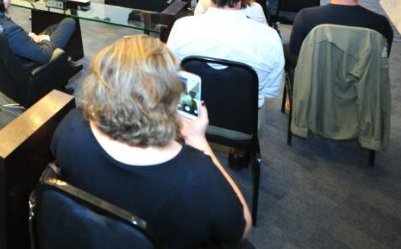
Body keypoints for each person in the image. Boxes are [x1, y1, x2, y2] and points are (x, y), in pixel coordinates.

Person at [51, 35, 251, 248]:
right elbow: (240, 230)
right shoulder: (197, 177)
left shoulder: (70, 128)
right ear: (170, 97)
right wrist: (196, 138)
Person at [167, 0, 284, 110]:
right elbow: (271, 91)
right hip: (244, 120)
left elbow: (171, 77)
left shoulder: (181, 28)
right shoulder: (270, 37)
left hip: (192, 112)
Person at [286, 0, 393, 71]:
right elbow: (382, 57)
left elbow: (295, 51)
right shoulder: (381, 23)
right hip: (362, 77)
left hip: (318, 75)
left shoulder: (306, 17)